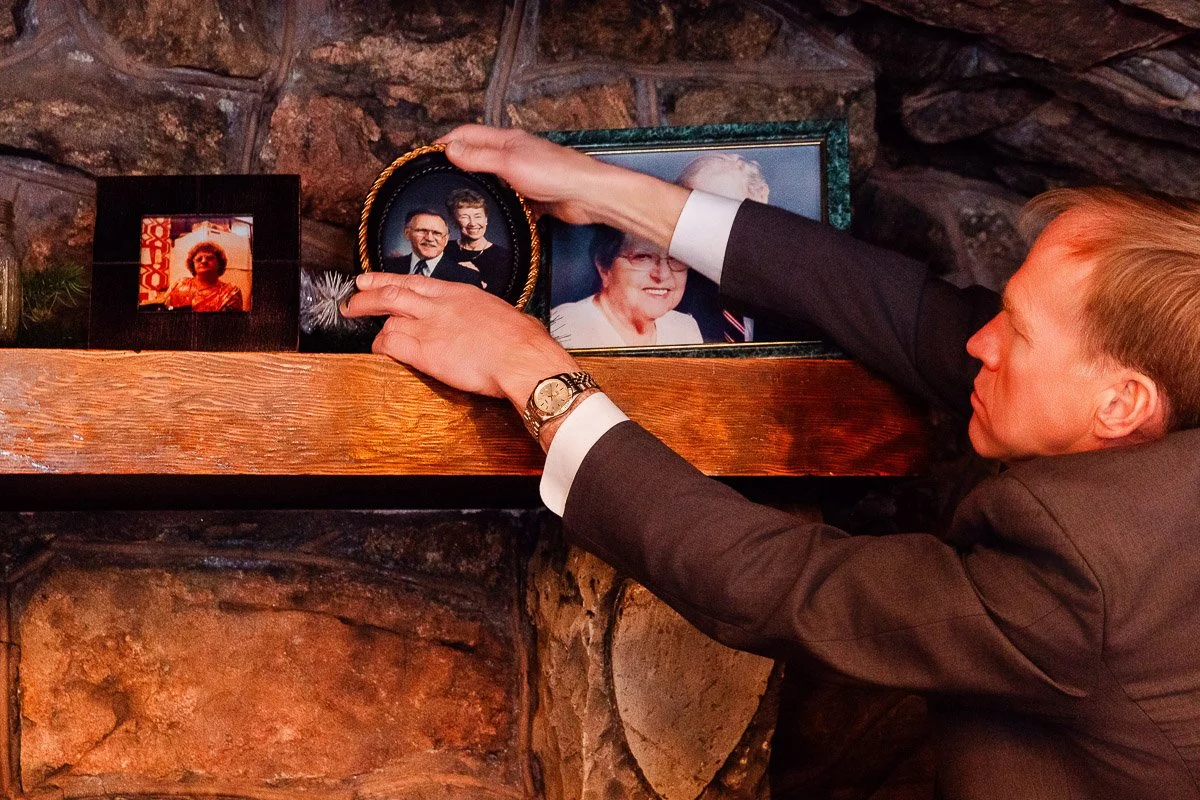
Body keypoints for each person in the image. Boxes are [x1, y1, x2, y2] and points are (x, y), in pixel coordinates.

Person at [343, 125, 1200, 798]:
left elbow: (776, 583)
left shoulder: (1089, 580)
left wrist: (528, 368)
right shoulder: (1173, 384)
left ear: (1122, 404)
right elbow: (908, 312)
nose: (978, 342)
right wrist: (604, 189)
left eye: (1014, 331)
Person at [550, 225, 702, 348]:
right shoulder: (562, 329)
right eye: (642, 257)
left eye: (675, 258)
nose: (662, 274)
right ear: (604, 268)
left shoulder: (686, 329)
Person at [675, 152, 770, 342]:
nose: (711, 228)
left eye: (725, 209)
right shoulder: (673, 292)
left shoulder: (794, 279)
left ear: (760, 198)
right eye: (696, 215)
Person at [382, 208, 483, 288]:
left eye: (437, 233)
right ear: (407, 233)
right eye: (422, 231)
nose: (429, 238)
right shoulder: (388, 267)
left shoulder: (467, 279)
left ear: (446, 239)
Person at [442, 188, 512, 295]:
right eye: (465, 217)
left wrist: (474, 277)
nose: (473, 223)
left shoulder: (504, 257)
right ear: (454, 221)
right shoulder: (443, 249)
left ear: (486, 219)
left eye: (478, 216)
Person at [165, 241, 243, 312]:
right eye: (199, 259)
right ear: (193, 264)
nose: (204, 261)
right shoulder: (179, 284)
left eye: (210, 258)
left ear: (220, 263)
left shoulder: (230, 291)